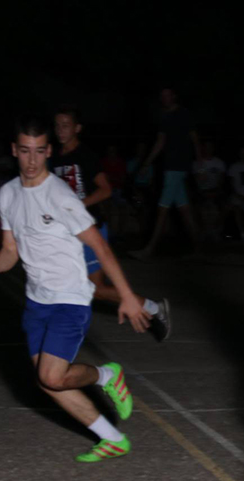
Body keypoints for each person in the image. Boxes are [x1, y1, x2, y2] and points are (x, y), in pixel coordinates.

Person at [0, 115, 152, 463]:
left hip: (70, 298)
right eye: (25, 151)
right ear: (14, 150)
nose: (33, 160)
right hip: (37, 301)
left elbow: (100, 247)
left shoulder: (59, 195)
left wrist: (127, 295)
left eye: (40, 151)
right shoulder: (8, 194)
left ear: (49, 151)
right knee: (47, 382)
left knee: (52, 376)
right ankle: (112, 438)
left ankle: (106, 375)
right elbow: (10, 251)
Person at [50, 107, 171, 341]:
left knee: (95, 289)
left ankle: (154, 308)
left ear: (77, 128)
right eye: (57, 125)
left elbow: (106, 190)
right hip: (67, 231)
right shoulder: (54, 157)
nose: (60, 130)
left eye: (65, 125)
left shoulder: (85, 156)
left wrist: (78, 205)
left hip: (90, 228)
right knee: (63, 282)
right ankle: (61, 331)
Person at [131, 88, 201, 258]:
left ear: (174, 96)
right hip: (170, 165)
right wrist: (147, 163)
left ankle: (150, 249)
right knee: (184, 209)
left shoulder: (183, 113)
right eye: (162, 96)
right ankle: (199, 249)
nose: (164, 98)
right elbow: (160, 142)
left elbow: (194, 136)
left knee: (162, 208)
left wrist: (200, 160)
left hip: (179, 166)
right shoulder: (163, 116)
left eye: (167, 95)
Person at [193, 140, 227, 242]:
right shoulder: (197, 163)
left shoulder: (219, 163)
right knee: (197, 208)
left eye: (210, 146)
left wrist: (215, 192)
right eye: (206, 146)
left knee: (225, 207)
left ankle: (215, 231)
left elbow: (221, 180)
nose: (208, 149)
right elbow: (196, 181)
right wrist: (204, 193)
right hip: (201, 191)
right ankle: (202, 232)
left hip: (215, 191)